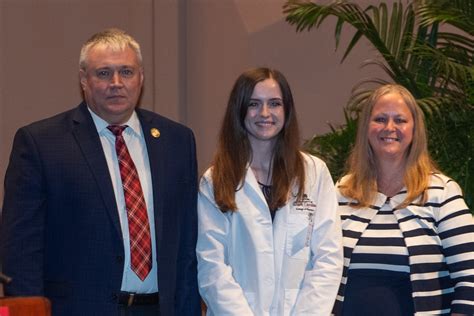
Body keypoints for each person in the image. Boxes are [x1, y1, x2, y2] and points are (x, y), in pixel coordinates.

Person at [0, 28, 200, 316]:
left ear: (141, 78)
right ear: (84, 80)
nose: (116, 83)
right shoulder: (41, 144)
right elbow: (21, 252)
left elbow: (186, 247)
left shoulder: (176, 141)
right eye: (103, 73)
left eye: (126, 72)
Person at [196, 67, 343, 315]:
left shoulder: (314, 174)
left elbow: (327, 259)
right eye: (254, 104)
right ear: (239, 110)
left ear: (287, 111)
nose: (265, 113)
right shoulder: (216, 180)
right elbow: (212, 266)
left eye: (274, 103)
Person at [333, 84, 474, 315]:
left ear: (414, 129)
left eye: (400, 120)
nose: (389, 128)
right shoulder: (343, 190)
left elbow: (470, 277)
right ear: (366, 127)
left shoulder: (441, 192)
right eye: (380, 119)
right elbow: (321, 268)